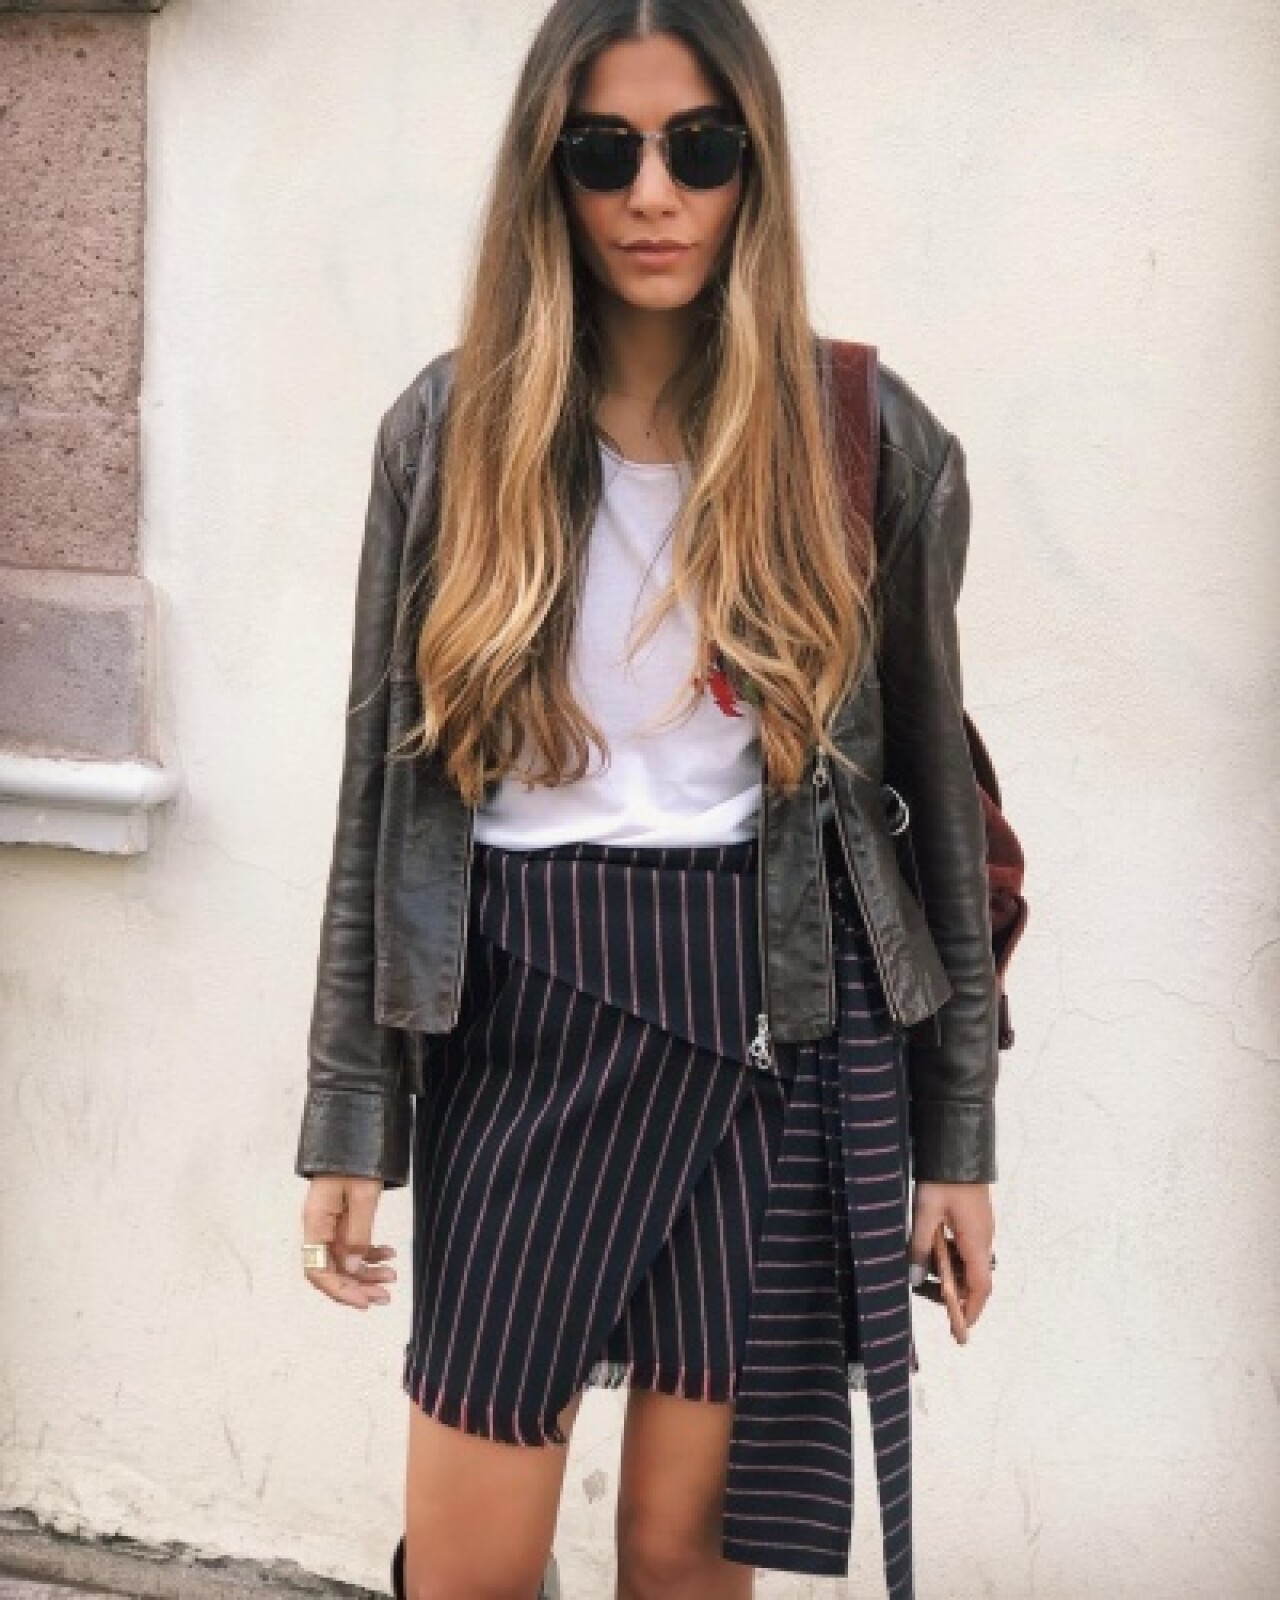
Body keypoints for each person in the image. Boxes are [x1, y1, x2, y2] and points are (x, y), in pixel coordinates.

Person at [295, 3, 1000, 1598]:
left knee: (686, 1562)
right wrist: (350, 1117)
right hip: (518, 1021)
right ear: (546, 172)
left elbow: (935, 826)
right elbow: (376, 806)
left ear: (757, 166)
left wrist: (958, 1143)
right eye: (604, 152)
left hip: (771, 1028)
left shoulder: (865, 440)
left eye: (701, 147)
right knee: (468, 1567)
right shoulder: (449, 433)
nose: (653, 193)